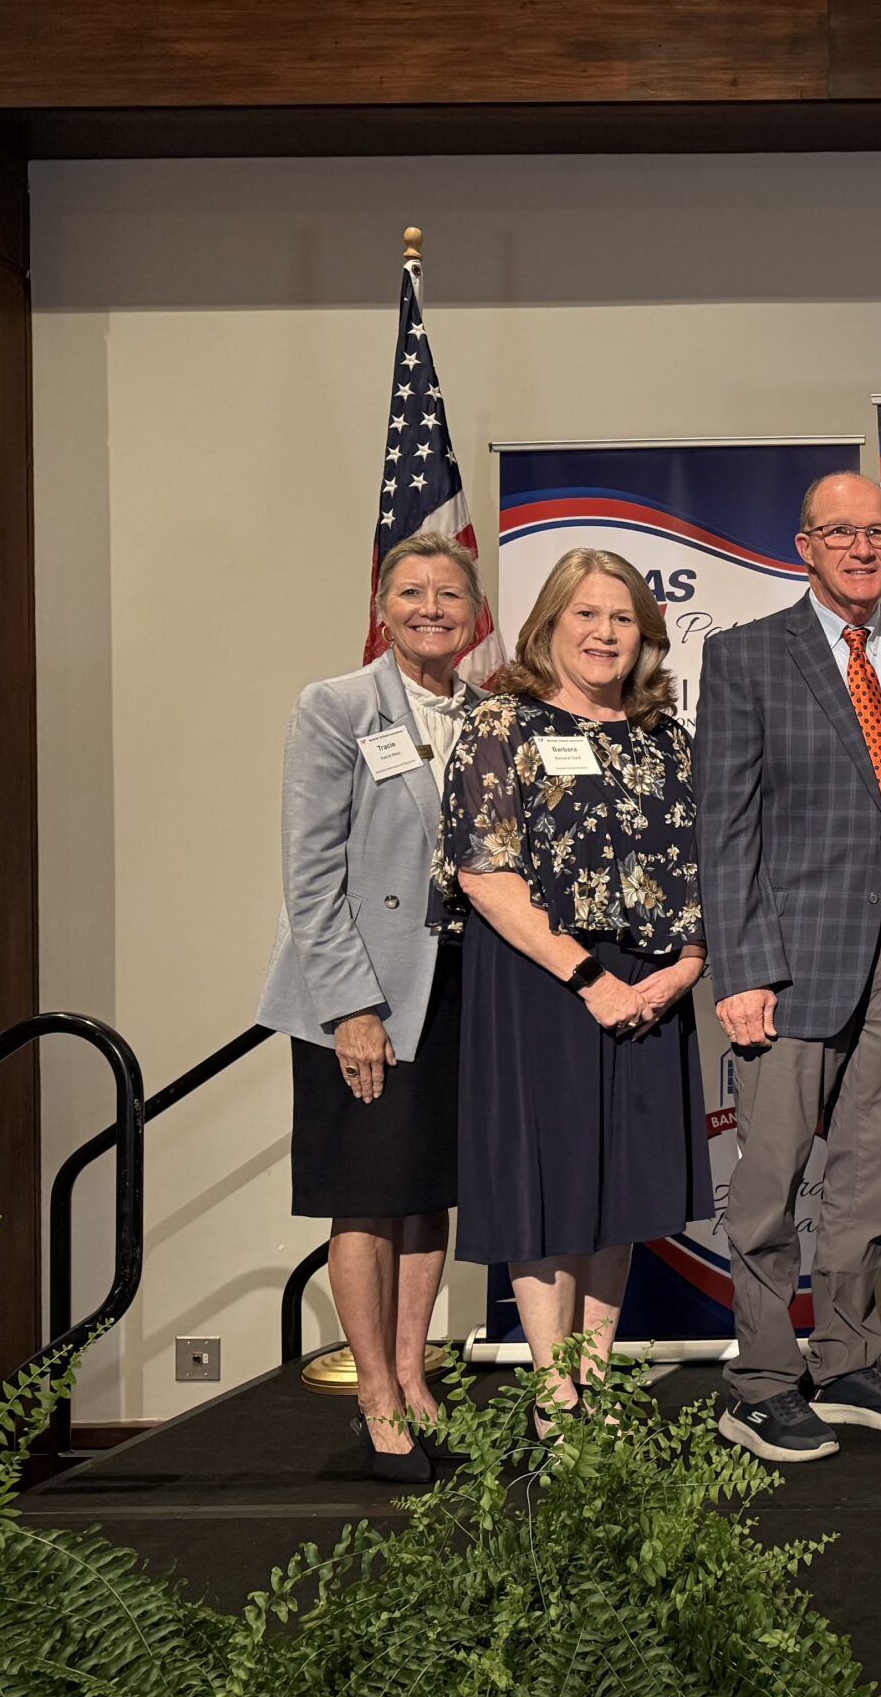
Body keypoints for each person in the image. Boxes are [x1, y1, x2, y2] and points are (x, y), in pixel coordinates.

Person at [698, 472, 881, 1464]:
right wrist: (741, 968)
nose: (862, 548)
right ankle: (761, 1380)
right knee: (768, 1186)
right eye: (841, 532)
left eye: (878, 533)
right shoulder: (746, 658)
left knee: (868, 1182)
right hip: (790, 969)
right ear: (803, 545)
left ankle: (850, 1359)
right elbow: (724, 829)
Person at [435, 546, 711, 1422]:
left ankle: (598, 1378)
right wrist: (588, 976)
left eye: (622, 618)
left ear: (646, 635)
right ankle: (554, 1395)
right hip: (542, 980)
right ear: (549, 624)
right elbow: (484, 873)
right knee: (549, 1185)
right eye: (585, 615)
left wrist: (689, 964)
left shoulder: (666, 734)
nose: (603, 633)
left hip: (653, 978)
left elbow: (704, 860)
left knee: (623, 1184)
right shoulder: (501, 725)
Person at [258, 534, 485, 1485]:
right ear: (382, 604)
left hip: (462, 986)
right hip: (363, 992)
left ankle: (414, 1373)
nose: (431, 608)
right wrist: (353, 1006)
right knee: (365, 1192)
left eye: (449, 594)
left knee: (427, 1187)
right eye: (411, 592)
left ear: (476, 612)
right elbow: (311, 876)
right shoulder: (338, 708)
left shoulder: (490, 712)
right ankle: (377, 1399)